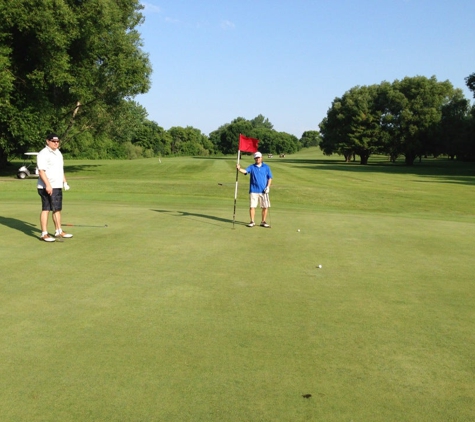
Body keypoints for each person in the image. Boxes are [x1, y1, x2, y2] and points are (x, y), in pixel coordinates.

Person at [37, 133, 73, 242]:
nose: (56, 143)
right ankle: (44, 233)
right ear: (47, 141)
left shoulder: (58, 153)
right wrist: (48, 185)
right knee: (46, 208)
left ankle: (58, 231)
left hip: (57, 186)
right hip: (46, 186)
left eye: (57, 141)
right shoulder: (43, 154)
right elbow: (41, 171)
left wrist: (65, 182)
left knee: (57, 208)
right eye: (53, 141)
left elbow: (60, 170)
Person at [236, 151, 273, 228]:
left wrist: (268, 187)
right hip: (253, 190)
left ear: (261, 158)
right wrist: (239, 169)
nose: (257, 159)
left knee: (265, 207)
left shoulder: (266, 167)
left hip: (264, 191)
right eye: (256, 158)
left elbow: (270, 178)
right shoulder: (252, 167)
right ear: (254, 159)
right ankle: (252, 221)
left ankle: (263, 221)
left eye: (258, 157)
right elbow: (245, 171)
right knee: (252, 206)